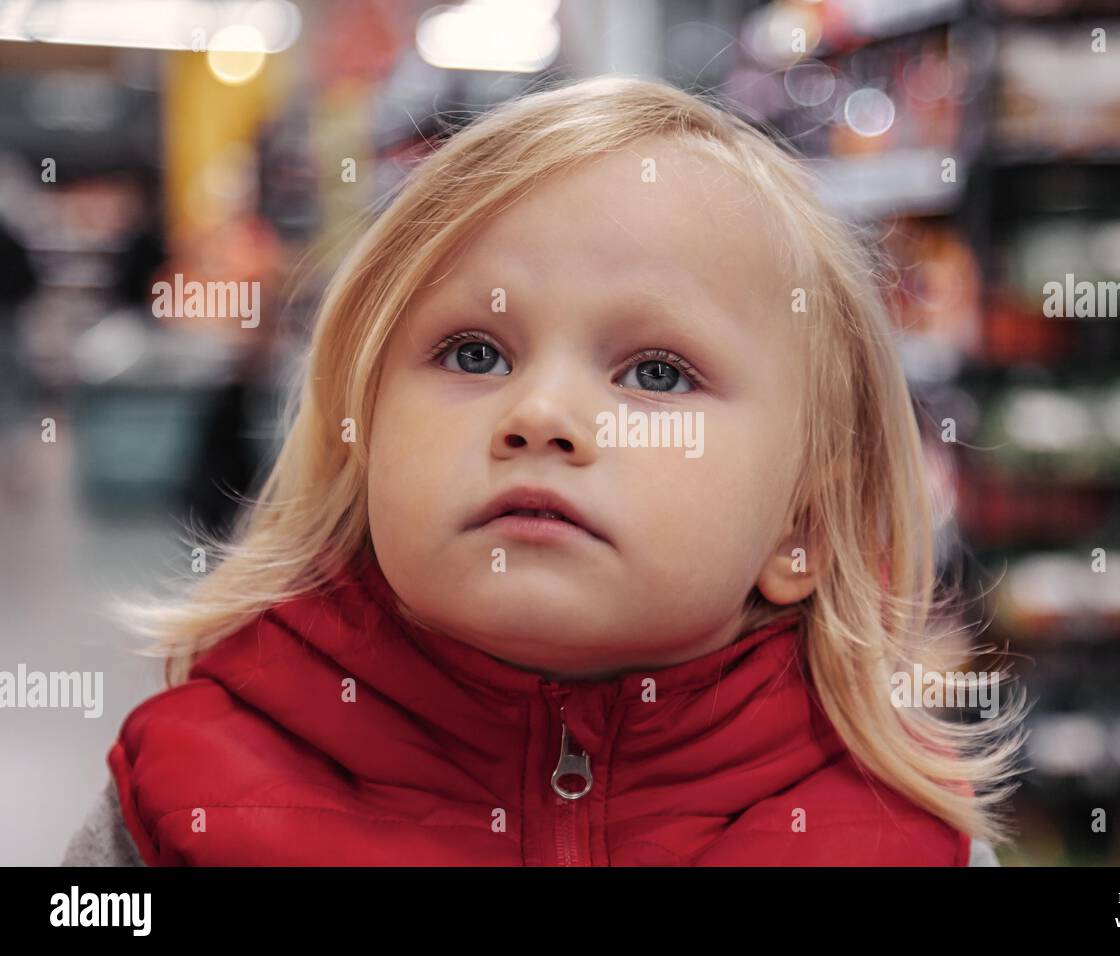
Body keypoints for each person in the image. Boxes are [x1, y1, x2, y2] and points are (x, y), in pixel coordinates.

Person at [62, 75, 1020, 866]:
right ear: (363, 436)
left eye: (655, 372)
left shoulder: (901, 840)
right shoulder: (181, 801)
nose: (541, 417)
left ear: (803, 523)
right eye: (474, 354)